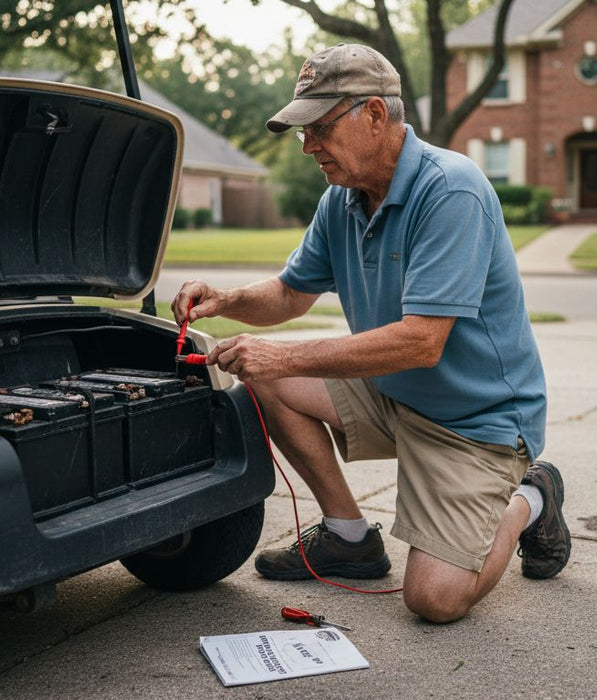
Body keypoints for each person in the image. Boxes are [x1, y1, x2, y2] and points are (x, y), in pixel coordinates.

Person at [172, 43, 570, 624]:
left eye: (319, 129)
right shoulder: (343, 200)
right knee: (255, 379)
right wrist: (226, 301)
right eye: (301, 132)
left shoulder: (450, 189)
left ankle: (532, 498)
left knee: (434, 601)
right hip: (393, 393)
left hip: (475, 424)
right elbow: (289, 293)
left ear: (376, 115)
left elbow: (421, 341)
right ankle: (349, 537)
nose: (307, 146)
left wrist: (284, 358)